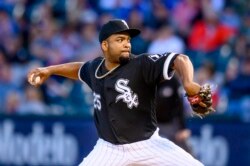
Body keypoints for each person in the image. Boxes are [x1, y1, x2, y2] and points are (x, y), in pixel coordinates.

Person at [27, 19, 204, 166]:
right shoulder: (95, 69)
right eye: (120, 40)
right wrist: (50, 70)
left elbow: (180, 59)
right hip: (109, 149)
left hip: (148, 144)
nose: (127, 44)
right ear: (105, 45)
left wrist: (188, 82)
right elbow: (80, 69)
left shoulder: (142, 64)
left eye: (128, 40)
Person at [156, 75, 192, 154]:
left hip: (171, 125)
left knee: (186, 152)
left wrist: (183, 128)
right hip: (154, 125)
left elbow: (180, 106)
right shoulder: (150, 80)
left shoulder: (173, 81)